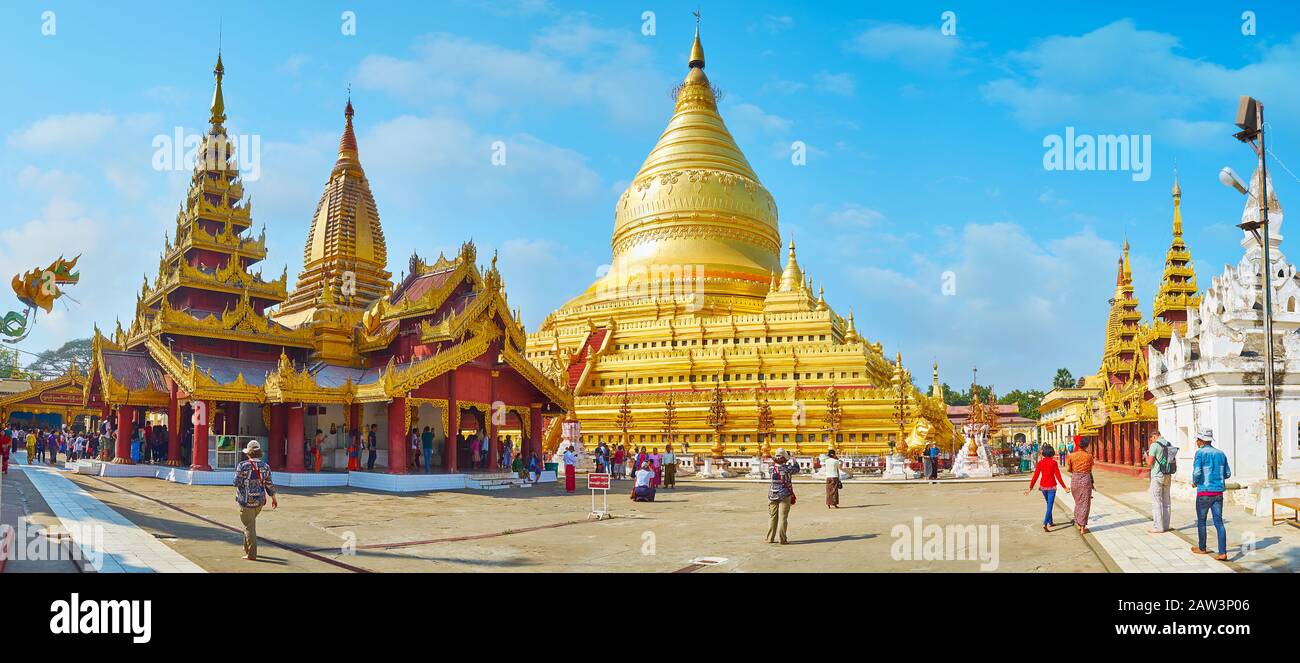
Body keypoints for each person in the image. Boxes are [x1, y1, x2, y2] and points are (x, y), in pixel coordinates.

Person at [232, 440, 278, 561]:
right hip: (259, 501)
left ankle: (251, 554)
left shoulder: (242, 465)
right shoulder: (266, 466)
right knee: (250, 524)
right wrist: (273, 498)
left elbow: (236, 482)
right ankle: (246, 547)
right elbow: (269, 484)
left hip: (246, 501)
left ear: (248, 453)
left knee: (249, 527)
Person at [1190, 429, 1231, 561]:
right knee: (1219, 523)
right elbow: (1227, 474)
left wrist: (1195, 482)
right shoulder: (1221, 454)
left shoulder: (1200, 453)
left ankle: (1202, 548)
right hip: (1218, 492)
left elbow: (1197, 472)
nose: (1196, 442)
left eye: (1197, 440)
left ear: (1201, 441)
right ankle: (1222, 552)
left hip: (1204, 492)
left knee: (1202, 521)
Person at [1025, 445, 1068, 531]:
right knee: (1050, 506)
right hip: (1051, 487)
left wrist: (1030, 488)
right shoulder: (1054, 463)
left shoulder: (1040, 463)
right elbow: (1058, 476)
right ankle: (1045, 523)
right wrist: (1064, 487)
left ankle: (1050, 521)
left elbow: (1035, 476)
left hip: (1043, 487)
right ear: (1052, 453)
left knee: (1048, 503)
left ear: (1044, 453)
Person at [1146, 430, 1177, 534]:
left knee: (1156, 502)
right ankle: (1166, 525)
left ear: (1154, 437)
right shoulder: (1169, 444)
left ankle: (1158, 527)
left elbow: (1149, 463)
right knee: (1166, 502)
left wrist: (1146, 456)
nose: (1151, 441)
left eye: (1151, 439)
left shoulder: (1154, 445)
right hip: (1168, 474)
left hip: (1157, 475)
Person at [766, 449, 799, 544]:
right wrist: (793, 458)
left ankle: (770, 538)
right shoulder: (787, 469)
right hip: (784, 494)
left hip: (772, 494)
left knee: (772, 517)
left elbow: (776, 464)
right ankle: (782, 539)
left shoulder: (771, 468)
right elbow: (796, 468)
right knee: (783, 518)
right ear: (785, 459)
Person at [1065, 437, 1094, 534]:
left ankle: (1078, 522)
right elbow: (1090, 469)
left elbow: (1069, 469)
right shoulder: (1089, 456)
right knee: (1085, 503)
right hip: (1085, 480)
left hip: (1075, 480)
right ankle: (1083, 526)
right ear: (1086, 446)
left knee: (1078, 502)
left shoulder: (1071, 456)